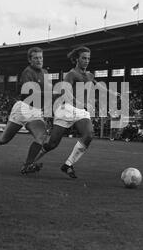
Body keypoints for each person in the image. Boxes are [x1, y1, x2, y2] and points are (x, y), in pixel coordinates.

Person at [32, 46, 118, 178]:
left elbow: (97, 85)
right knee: (52, 144)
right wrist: (78, 103)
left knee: (89, 134)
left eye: (88, 58)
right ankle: (31, 162)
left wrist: (112, 92)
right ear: (77, 59)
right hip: (67, 109)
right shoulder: (71, 74)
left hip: (81, 111)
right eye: (84, 58)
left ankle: (68, 165)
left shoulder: (89, 75)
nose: (86, 61)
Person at [0, 47, 49, 174]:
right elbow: (31, 92)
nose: (39, 60)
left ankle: (27, 165)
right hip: (23, 108)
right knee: (4, 139)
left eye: (41, 57)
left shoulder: (45, 72)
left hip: (35, 111)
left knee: (41, 136)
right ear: (30, 60)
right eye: (36, 58)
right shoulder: (27, 72)